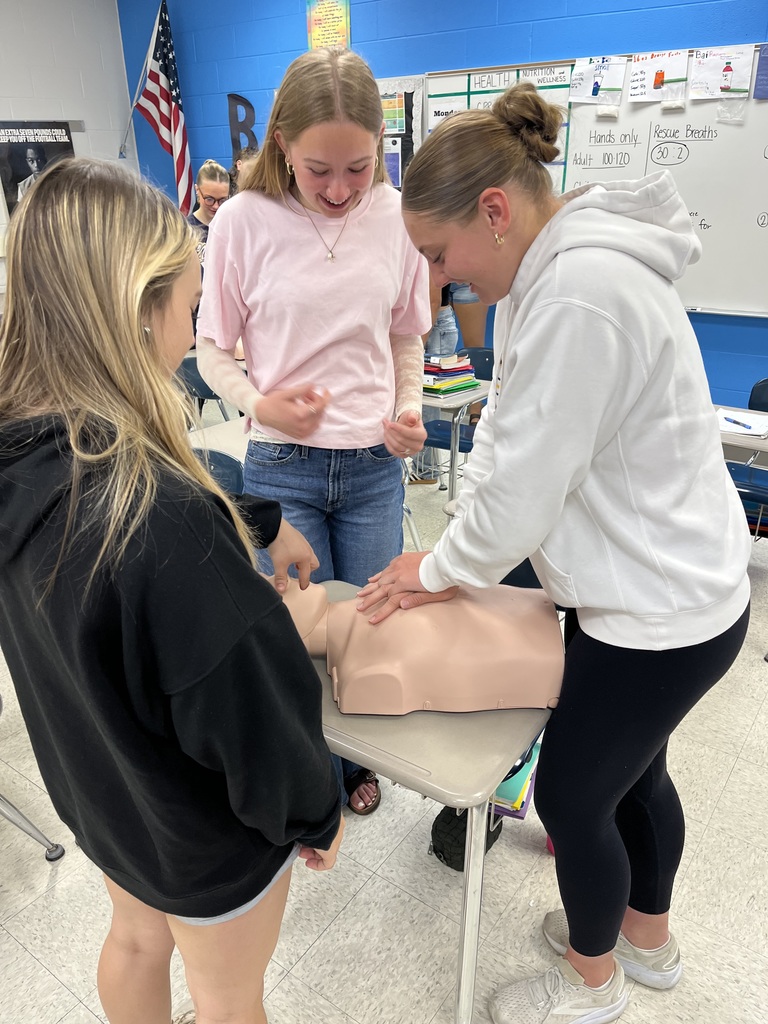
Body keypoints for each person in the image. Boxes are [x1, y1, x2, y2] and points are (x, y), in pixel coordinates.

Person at [357, 81, 752, 1024]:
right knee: (636, 775)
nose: (441, 278)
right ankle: (643, 943)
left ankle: (591, 982)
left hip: (661, 612)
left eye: (439, 254)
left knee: (576, 798)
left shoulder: (580, 291)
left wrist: (439, 569)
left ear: (494, 211)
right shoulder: (550, 278)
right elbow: (505, 431)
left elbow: (524, 493)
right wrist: (456, 551)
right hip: (672, 595)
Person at [0, 156, 344, 1024]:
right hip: (200, 840)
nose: (193, 336)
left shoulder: (24, 464)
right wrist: (317, 811)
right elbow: (250, 716)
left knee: (134, 941)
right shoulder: (161, 523)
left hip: (105, 798)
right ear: (135, 308)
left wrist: (254, 514)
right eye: (189, 307)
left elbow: (193, 475)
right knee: (229, 998)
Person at [196, 46, 431, 814]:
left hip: (371, 467)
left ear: (381, 151)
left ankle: (356, 766)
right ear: (282, 148)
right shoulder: (241, 219)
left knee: (367, 627)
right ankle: (314, 773)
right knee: (298, 636)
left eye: (358, 168)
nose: (339, 190)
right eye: (317, 169)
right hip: (281, 467)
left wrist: (410, 407)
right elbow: (209, 349)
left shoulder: (396, 217)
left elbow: (406, 335)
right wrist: (258, 406)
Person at [187, 159, 230, 262]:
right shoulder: (186, 230)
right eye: (209, 199)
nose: (216, 206)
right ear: (197, 190)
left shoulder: (231, 226)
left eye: (222, 200)